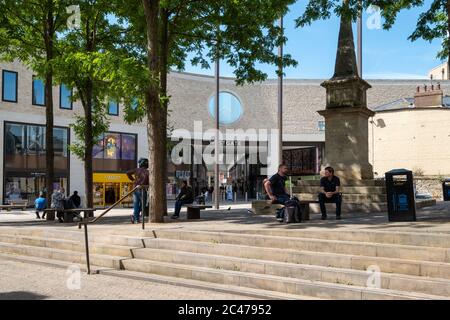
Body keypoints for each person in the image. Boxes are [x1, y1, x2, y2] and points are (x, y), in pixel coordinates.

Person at [126, 158, 149, 224]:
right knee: (142, 205)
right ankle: (135, 218)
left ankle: (135, 218)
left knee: (136, 204)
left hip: (135, 189)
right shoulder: (148, 172)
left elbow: (127, 173)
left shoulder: (136, 170)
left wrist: (132, 180)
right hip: (142, 189)